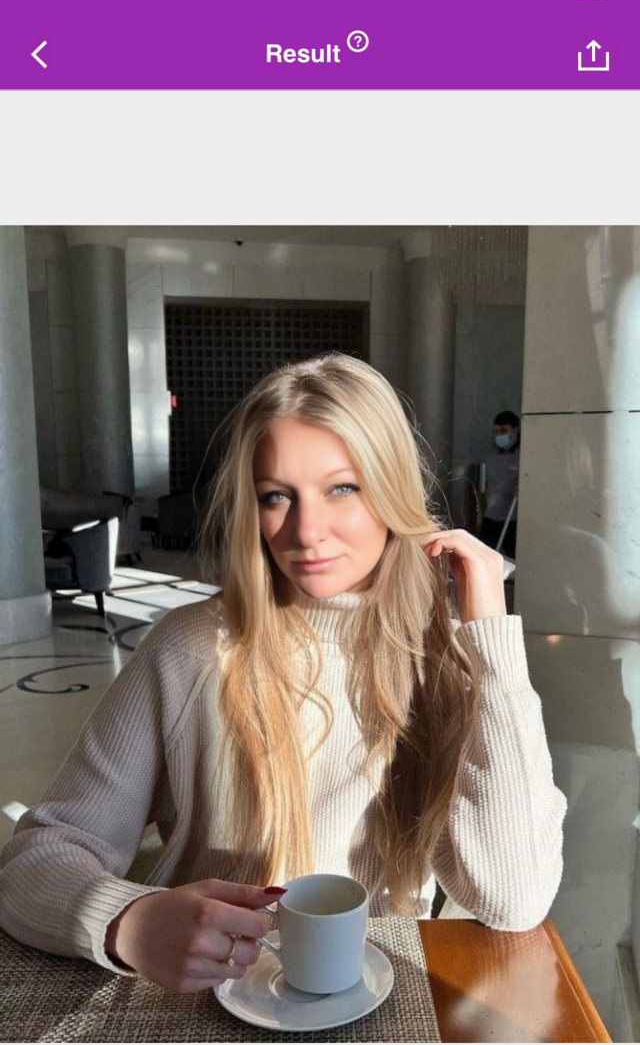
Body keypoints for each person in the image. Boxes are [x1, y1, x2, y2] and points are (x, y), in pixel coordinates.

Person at [0, 356, 565, 994]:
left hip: (378, 997)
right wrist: (126, 921)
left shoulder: (444, 658)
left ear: (391, 489)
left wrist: (490, 642)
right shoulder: (191, 650)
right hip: (206, 1004)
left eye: (342, 488)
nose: (306, 530)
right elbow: (35, 860)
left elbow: (514, 897)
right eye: (276, 496)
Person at [479, 410, 520, 557]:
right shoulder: (491, 457)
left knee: (512, 557)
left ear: (515, 429)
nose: (499, 435)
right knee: (484, 555)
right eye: (496, 431)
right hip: (491, 516)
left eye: (503, 430)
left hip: (513, 519)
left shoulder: (524, 456)